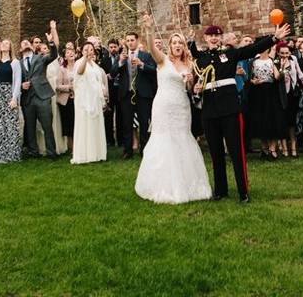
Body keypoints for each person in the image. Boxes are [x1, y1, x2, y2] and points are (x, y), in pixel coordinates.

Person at [189, 22, 288, 202]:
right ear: (205, 38)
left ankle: (243, 191)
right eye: (210, 36)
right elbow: (196, 72)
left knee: (236, 151)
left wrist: (274, 39)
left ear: (221, 38)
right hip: (210, 110)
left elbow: (252, 49)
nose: (213, 38)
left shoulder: (231, 53)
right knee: (216, 152)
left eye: (217, 35)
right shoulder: (201, 58)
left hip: (230, 108)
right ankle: (220, 190)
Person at [135, 15, 212, 203]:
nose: (177, 45)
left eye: (180, 43)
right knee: (164, 141)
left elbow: (190, 89)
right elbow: (152, 48)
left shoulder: (189, 65)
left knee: (182, 139)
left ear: (184, 46)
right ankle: (162, 184)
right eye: (174, 42)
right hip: (163, 106)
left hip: (182, 108)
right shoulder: (163, 61)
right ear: (170, 46)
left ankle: (187, 183)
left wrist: (191, 84)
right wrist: (149, 29)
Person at [111, 31, 158, 159]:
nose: (130, 42)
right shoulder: (121, 56)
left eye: (132, 40)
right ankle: (128, 151)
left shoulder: (146, 56)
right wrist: (120, 62)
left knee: (144, 123)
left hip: (142, 94)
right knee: (127, 124)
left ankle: (144, 151)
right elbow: (113, 73)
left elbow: (154, 71)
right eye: (128, 40)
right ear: (125, 42)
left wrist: (141, 65)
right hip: (126, 94)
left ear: (137, 41)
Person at [19, 21, 60, 158]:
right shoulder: (17, 63)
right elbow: (14, 81)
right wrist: (20, 86)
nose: (25, 45)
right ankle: (33, 151)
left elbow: (53, 55)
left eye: (27, 43)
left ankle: (51, 152)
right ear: (20, 48)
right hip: (27, 99)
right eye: (22, 43)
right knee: (30, 127)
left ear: (31, 46)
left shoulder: (41, 58)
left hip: (42, 96)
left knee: (47, 126)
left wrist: (51, 43)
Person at [71, 41, 108, 164]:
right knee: (85, 124)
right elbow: (80, 72)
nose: (88, 51)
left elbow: (99, 80)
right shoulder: (79, 63)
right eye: (86, 49)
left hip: (95, 99)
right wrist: (85, 59)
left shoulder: (95, 65)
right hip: (83, 100)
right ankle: (84, 154)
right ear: (82, 51)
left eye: (91, 49)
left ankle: (97, 153)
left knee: (95, 124)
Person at [248, 45, 283, 159]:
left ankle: (272, 148)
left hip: (270, 92)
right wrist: (253, 81)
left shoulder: (272, 61)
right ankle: (264, 148)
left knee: (273, 118)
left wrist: (282, 70)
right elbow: (249, 78)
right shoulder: (253, 62)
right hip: (258, 92)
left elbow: (277, 76)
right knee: (261, 119)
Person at [277, 42, 303, 157]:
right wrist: (283, 68)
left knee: (292, 121)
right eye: (282, 53)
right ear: (279, 53)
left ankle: (293, 146)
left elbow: (299, 73)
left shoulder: (293, 60)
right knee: (283, 121)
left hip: (293, 93)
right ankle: (284, 147)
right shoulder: (276, 62)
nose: (285, 55)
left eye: (287, 53)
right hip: (281, 94)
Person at [56, 46, 77, 153]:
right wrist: (69, 88)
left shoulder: (79, 68)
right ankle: (71, 147)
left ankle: (79, 145)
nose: (70, 54)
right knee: (68, 124)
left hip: (78, 99)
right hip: (66, 100)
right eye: (68, 53)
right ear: (65, 57)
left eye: (72, 52)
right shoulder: (62, 70)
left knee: (77, 123)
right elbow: (58, 86)